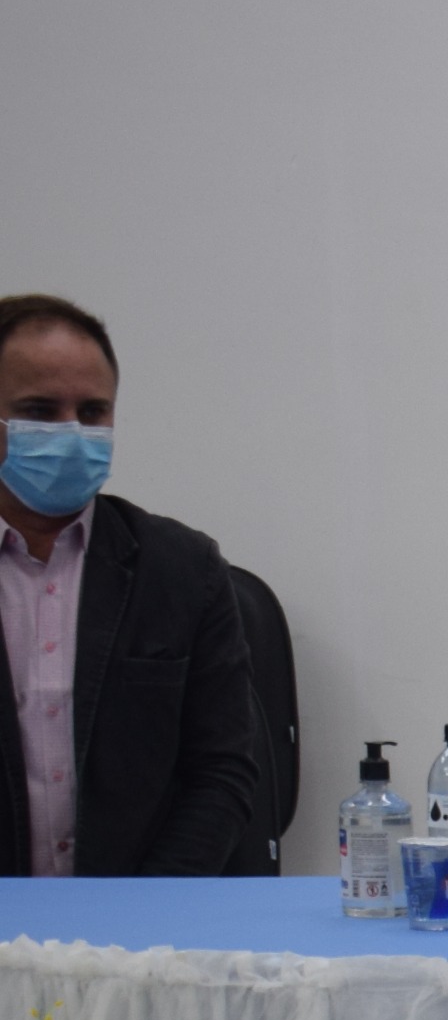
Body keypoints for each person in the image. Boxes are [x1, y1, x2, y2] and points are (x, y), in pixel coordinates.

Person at [0, 294, 262, 877]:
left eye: (92, 412)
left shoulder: (181, 569)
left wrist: (141, 919)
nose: (71, 433)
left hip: (146, 927)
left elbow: (221, 772)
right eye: (40, 411)